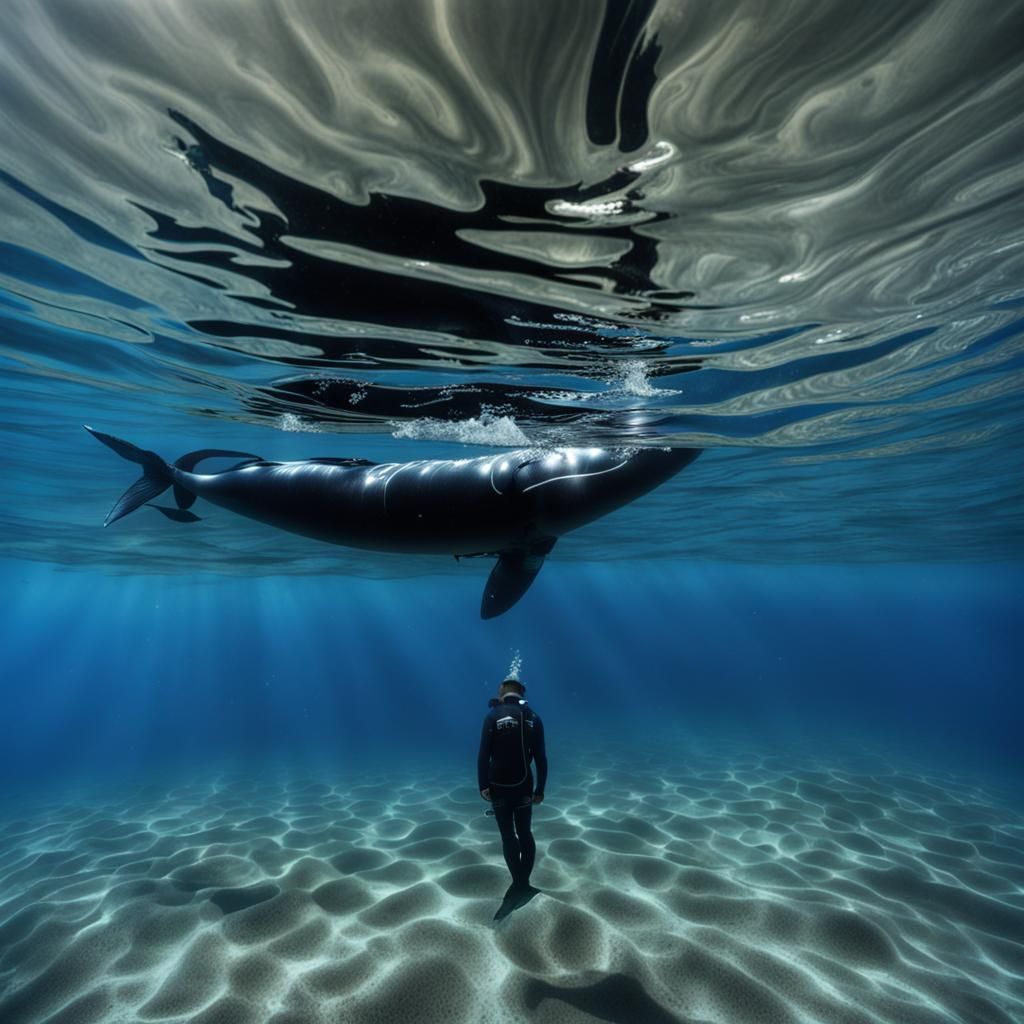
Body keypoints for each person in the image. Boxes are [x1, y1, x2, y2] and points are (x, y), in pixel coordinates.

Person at [478, 677, 547, 916]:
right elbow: (541, 758)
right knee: (525, 832)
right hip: (524, 785)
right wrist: (540, 789)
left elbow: (483, 754)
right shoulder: (533, 717)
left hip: (498, 787)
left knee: (508, 836)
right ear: (522, 692)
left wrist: (482, 785)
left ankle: (518, 885)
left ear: (501, 690)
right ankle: (522, 884)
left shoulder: (492, 717)